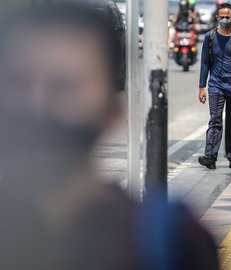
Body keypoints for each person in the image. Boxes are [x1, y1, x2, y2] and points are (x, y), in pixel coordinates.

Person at [0, 1, 219, 269]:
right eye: (18, 83)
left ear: (113, 110)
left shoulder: (172, 240)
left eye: (64, 87)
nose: (37, 104)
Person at [198, 3, 231, 170]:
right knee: (215, 120)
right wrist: (202, 86)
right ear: (216, 17)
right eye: (222, 16)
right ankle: (210, 156)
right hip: (215, 86)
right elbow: (205, 63)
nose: (225, 19)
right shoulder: (210, 36)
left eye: (228, 16)